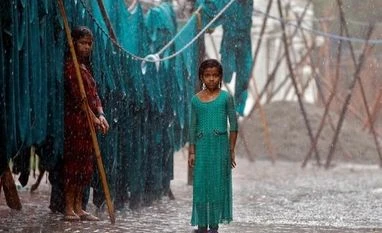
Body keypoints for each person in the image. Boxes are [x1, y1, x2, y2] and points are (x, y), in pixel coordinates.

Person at [63, 26, 109, 221]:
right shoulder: (71, 68)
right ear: (74, 43)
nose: (86, 47)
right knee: (74, 164)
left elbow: (94, 95)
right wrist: (93, 117)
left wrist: (101, 114)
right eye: (82, 43)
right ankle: (68, 207)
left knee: (85, 165)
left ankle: (79, 206)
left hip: (89, 124)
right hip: (76, 123)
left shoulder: (86, 68)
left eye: (89, 44)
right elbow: (80, 99)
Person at [188, 59, 238, 233]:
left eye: (215, 75)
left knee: (217, 186)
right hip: (202, 149)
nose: (211, 79)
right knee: (201, 186)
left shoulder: (226, 98)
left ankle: (214, 227)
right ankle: (202, 226)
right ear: (201, 77)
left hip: (220, 149)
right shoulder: (195, 100)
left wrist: (231, 150)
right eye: (207, 75)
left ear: (220, 77)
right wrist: (192, 152)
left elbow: (234, 125)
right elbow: (192, 127)